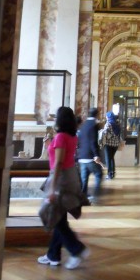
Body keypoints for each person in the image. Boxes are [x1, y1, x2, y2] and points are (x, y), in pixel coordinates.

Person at [37, 106, 91, 270]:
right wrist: (50, 145)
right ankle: (53, 255)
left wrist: (52, 188)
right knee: (59, 216)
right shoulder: (71, 136)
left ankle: (77, 249)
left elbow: (59, 162)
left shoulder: (61, 137)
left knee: (53, 215)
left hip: (61, 179)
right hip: (70, 176)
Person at [77, 107, 104, 201]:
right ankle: (96, 196)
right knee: (98, 174)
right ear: (97, 114)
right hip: (90, 156)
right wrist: (96, 155)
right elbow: (93, 141)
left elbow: (79, 140)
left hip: (82, 156)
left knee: (84, 178)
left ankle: (82, 196)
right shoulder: (94, 125)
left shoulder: (83, 125)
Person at [99, 110, 122, 179]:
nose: (106, 117)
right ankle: (113, 172)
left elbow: (105, 133)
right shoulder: (117, 124)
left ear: (108, 117)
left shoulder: (108, 124)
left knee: (108, 159)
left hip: (108, 144)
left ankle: (109, 174)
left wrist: (101, 131)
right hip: (115, 145)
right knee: (111, 158)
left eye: (106, 116)